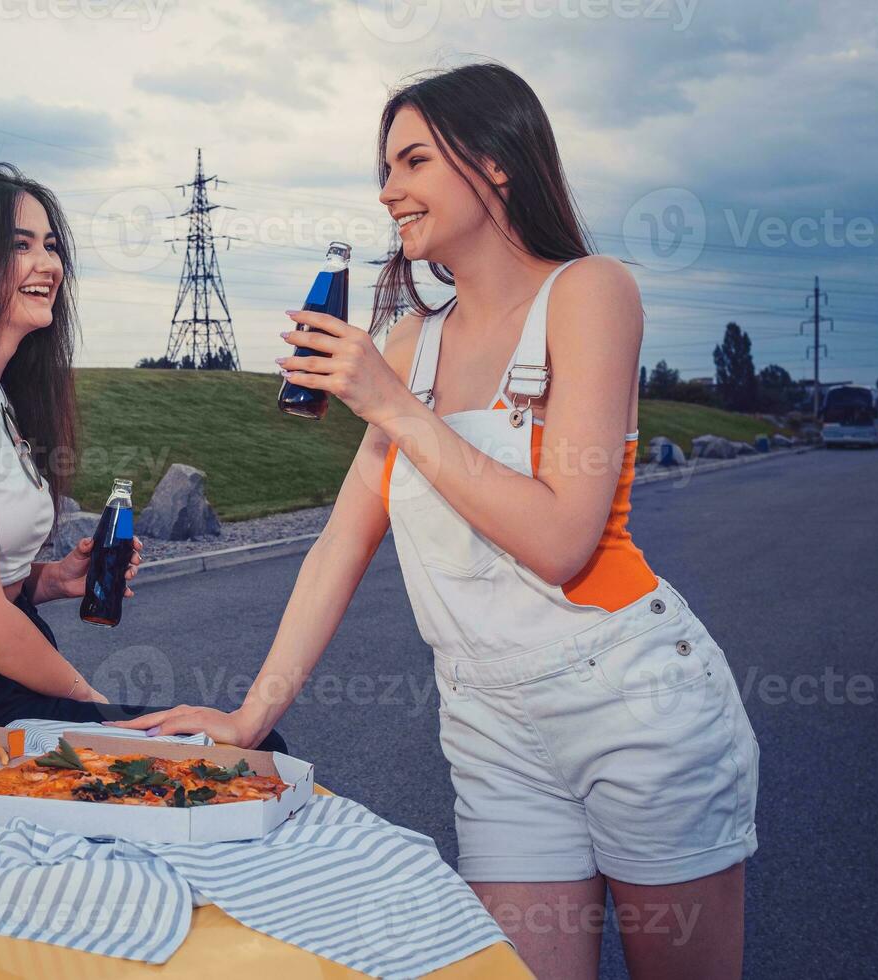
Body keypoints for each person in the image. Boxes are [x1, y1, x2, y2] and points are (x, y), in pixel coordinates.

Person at [115, 66, 757, 979]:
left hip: (633, 703)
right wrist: (250, 716)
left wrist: (393, 406)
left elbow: (562, 541)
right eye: (384, 168)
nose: (388, 191)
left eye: (413, 159)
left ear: (494, 164)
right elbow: (341, 542)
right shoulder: (411, 344)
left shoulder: (589, 292)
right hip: (489, 726)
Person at [0, 163, 287, 751]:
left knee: (243, 754)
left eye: (50, 244)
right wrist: (98, 710)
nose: (48, 264)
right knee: (242, 756)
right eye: (20, 246)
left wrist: (49, 580)